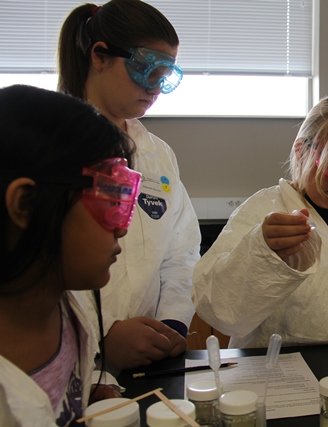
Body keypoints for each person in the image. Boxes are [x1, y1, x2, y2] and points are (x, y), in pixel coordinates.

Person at [192, 94, 328, 348]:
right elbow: (218, 311)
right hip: (277, 376)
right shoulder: (264, 211)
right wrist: (262, 252)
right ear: (300, 151)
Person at [58, 0, 201, 370]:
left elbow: (181, 251)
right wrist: (98, 347)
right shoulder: (49, 147)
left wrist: (170, 324)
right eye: (144, 68)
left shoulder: (158, 155)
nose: (154, 87)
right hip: (71, 367)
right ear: (100, 56)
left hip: (148, 360)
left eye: (164, 74)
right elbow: (36, 270)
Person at [0, 84, 140, 425]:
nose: (122, 229)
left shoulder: (66, 312)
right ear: (25, 205)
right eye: (110, 202)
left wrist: (87, 388)